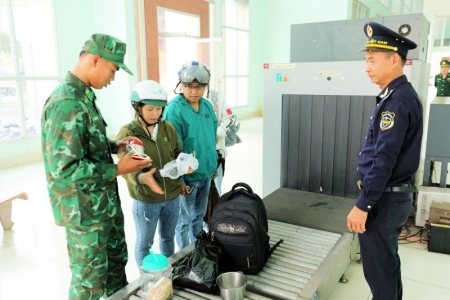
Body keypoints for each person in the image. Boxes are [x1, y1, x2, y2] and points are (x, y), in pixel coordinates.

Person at [41, 34, 155, 300]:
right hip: (85, 213)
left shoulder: (83, 96)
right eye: (113, 70)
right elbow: (65, 168)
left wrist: (116, 145)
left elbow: (85, 144)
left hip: (102, 206)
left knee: (115, 271)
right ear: (95, 60)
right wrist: (118, 170)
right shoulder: (65, 103)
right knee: (89, 284)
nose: (113, 78)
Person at [346, 23, 423, 300]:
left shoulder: (396, 102)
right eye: (366, 60)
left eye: (371, 61)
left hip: (383, 200)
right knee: (386, 266)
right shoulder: (396, 96)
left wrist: (363, 205)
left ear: (393, 59)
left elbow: (384, 160)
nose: (367, 67)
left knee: (379, 270)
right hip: (390, 196)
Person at [116, 80, 183, 267]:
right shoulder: (129, 132)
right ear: (138, 107)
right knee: (145, 243)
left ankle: (168, 273)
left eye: (159, 109)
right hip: (146, 200)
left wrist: (184, 164)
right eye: (150, 109)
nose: (155, 114)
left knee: (168, 238)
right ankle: (147, 281)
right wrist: (140, 177)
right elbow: (123, 166)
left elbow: (177, 152)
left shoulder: (168, 128)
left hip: (172, 196)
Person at [163, 61, 218, 250]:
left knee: (199, 214)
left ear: (205, 87)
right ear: (181, 85)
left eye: (199, 87)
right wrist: (180, 180)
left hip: (205, 174)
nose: (194, 91)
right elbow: (171, 148)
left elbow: (211, 138)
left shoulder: (207, 106)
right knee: (184, 219)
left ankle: (199, 249)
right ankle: (185, 254)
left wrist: (213, 166)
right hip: (188, 178)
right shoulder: (174, 110)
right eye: (189, 87)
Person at [208, 90, 235, 195]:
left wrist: (218, 133)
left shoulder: (216, 97)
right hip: (197, 154)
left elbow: (229, 118)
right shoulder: (183, 102)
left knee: (216, 186)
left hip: (217, 152)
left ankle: (216, 209)